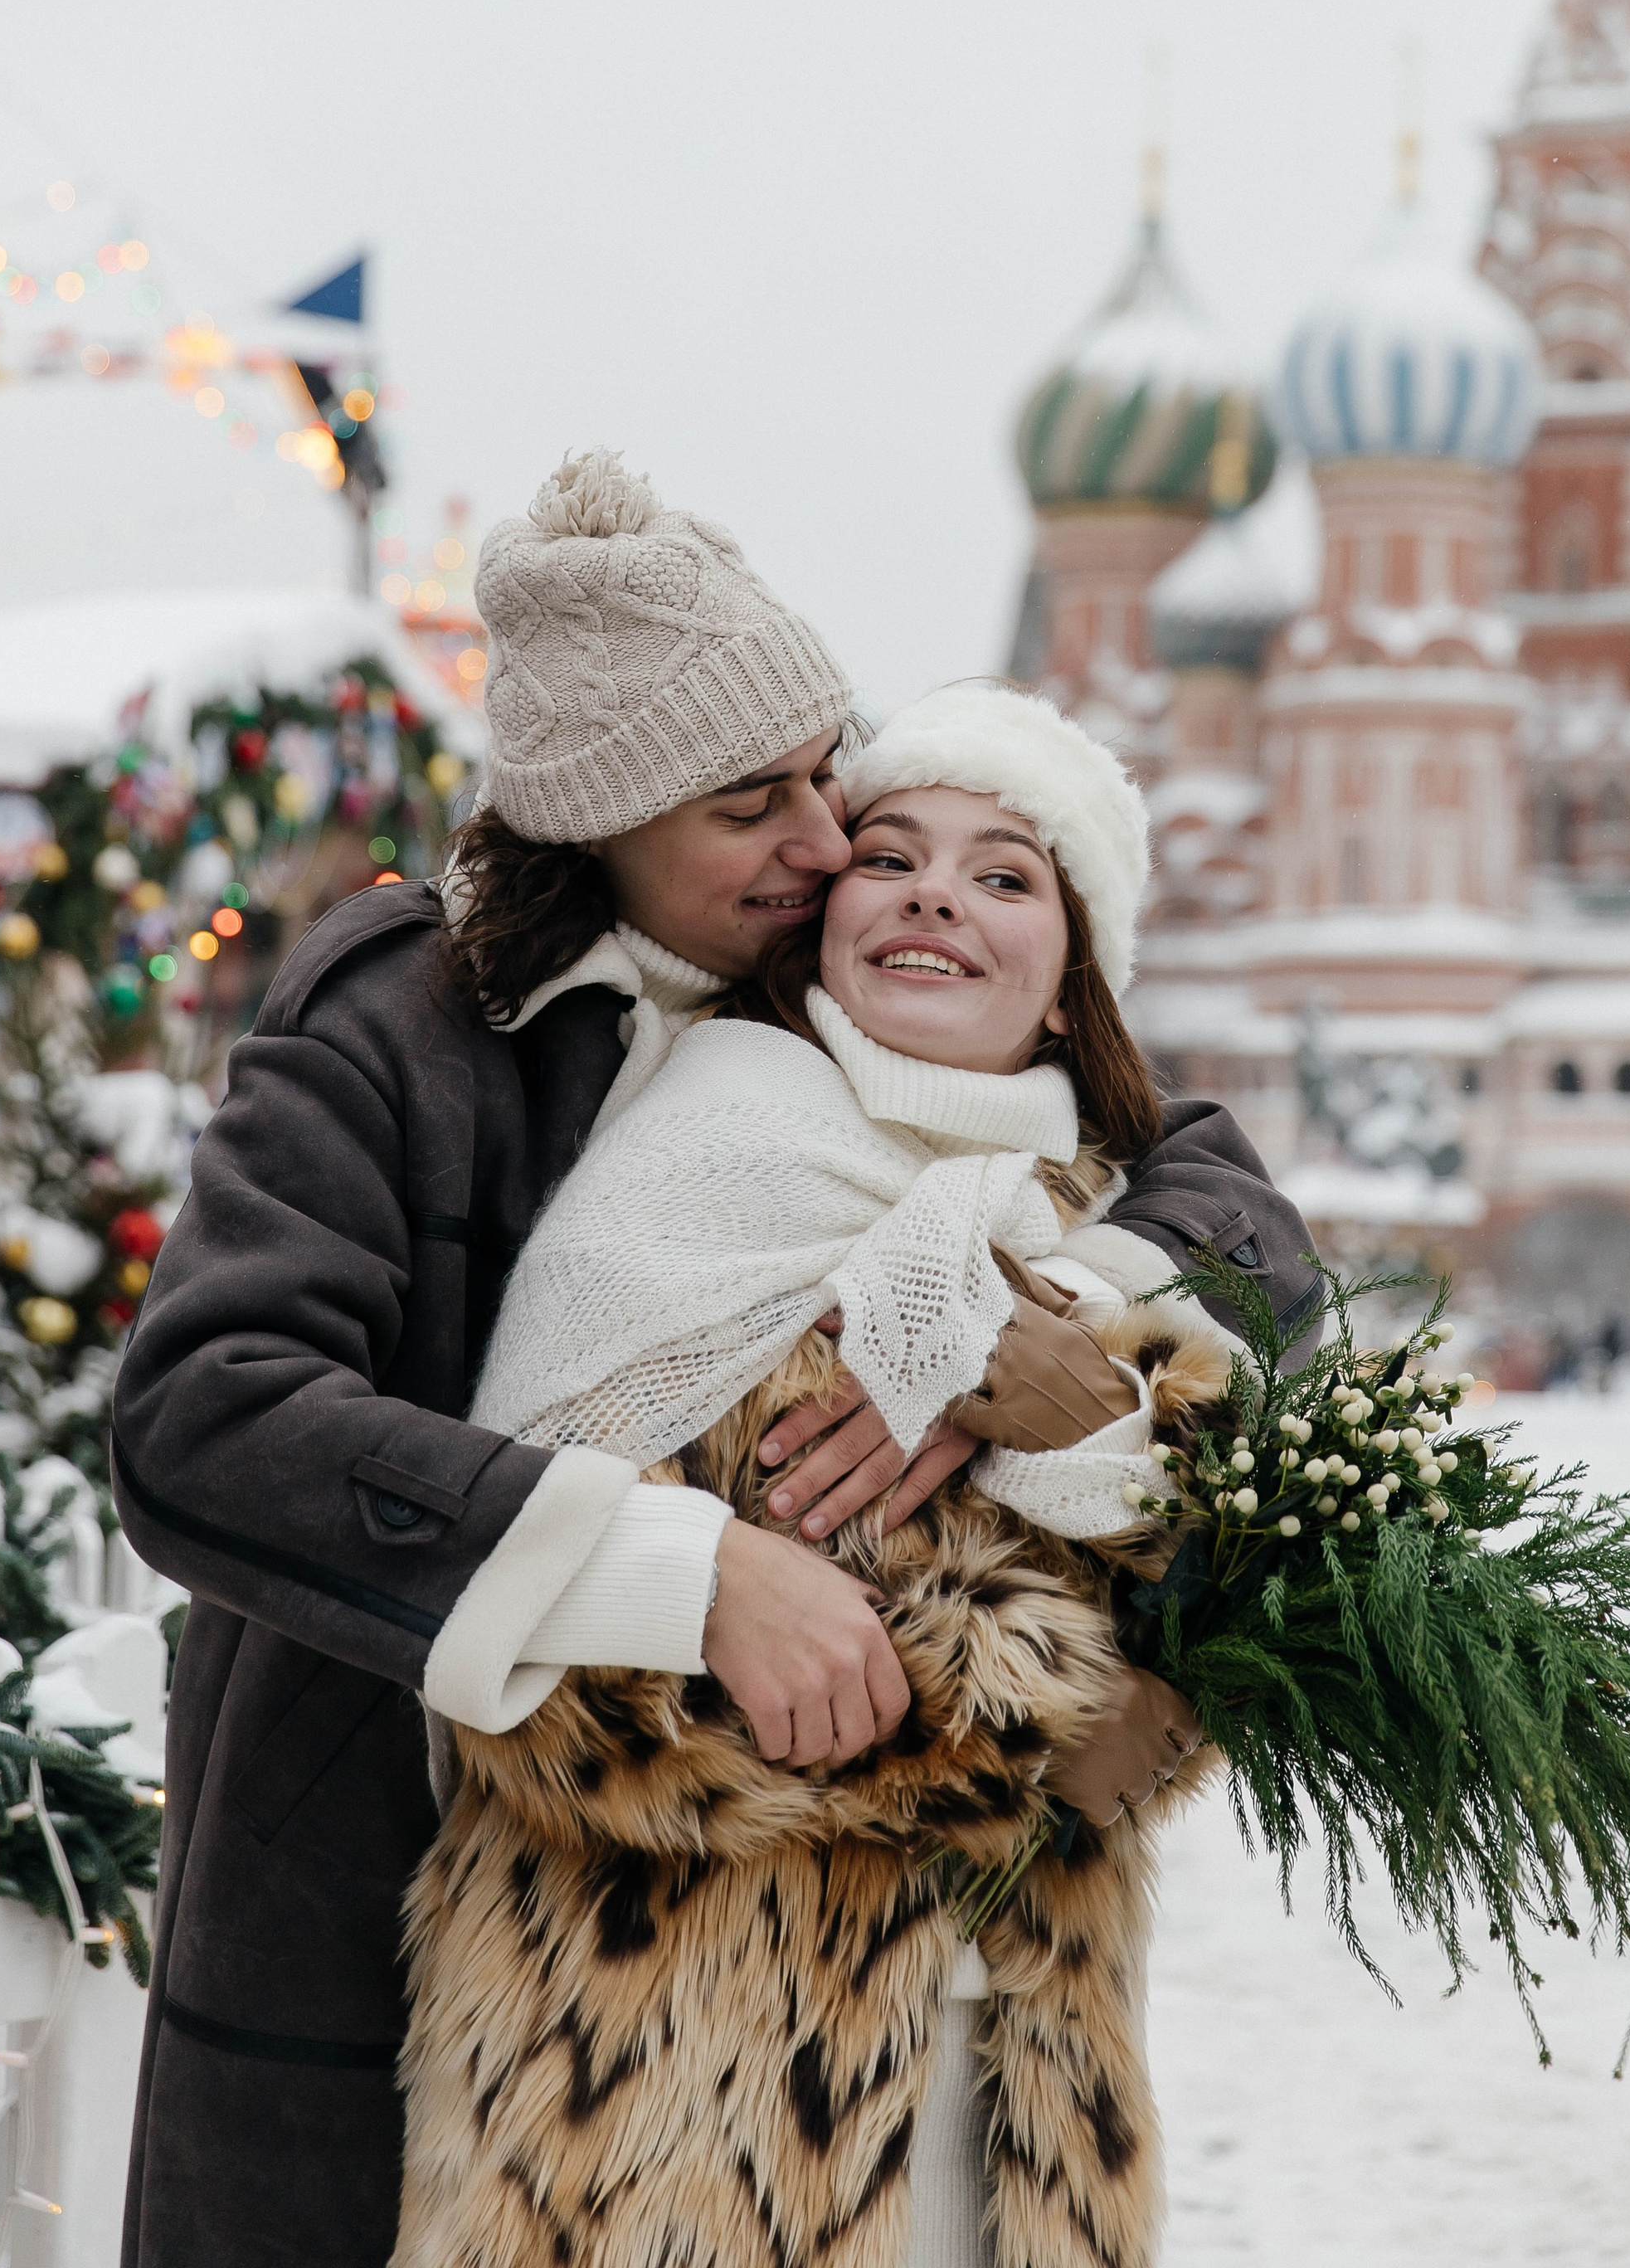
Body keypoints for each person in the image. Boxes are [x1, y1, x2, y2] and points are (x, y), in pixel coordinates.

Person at [110, 454, 1321, 2268]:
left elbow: (1212, 1183)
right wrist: (696, 1577)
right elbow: (206, 1420)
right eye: (753, 807)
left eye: (827, 775)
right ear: (601, 825)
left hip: (926, 2032)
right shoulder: (413, 1024)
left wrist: (1034, 1318)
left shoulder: (839, 992)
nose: (828, 843)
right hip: (400, 1894)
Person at [396, 681, 1230, 2268]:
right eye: (890, 857)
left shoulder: (1112, 1240)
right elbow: (535, 1691)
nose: (934, 896)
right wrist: (1034, 1733)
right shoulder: (687, 1176)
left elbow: (1251, 1627)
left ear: (1075, 986)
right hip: (664, 2100)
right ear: (824, 923)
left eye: (1004, 875)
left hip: (1018, 2100)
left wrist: (1103, 1451)